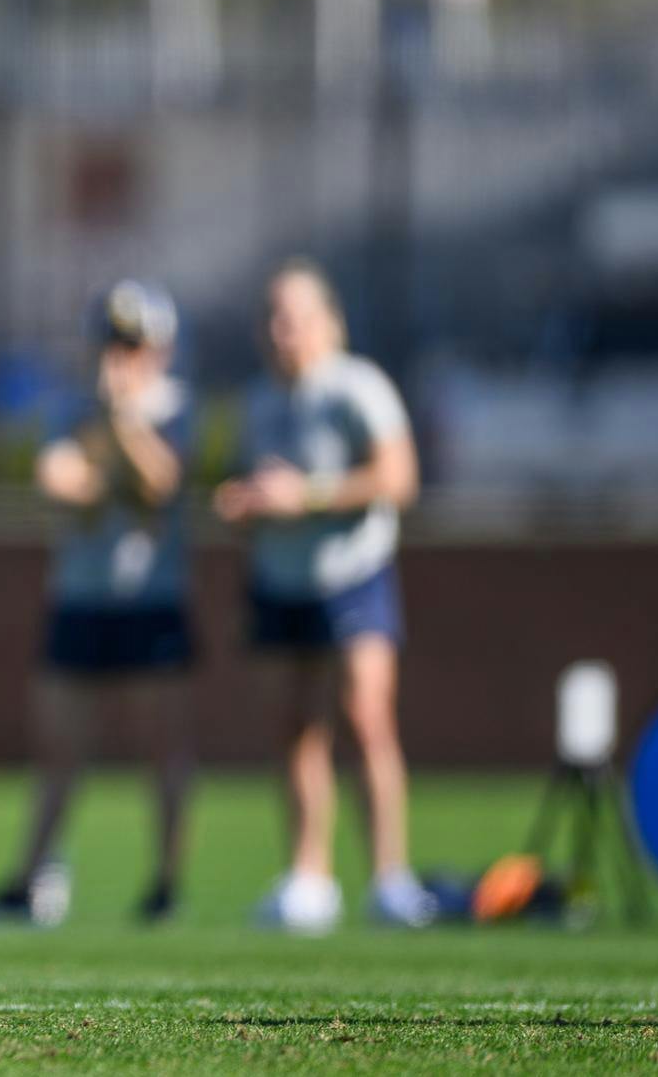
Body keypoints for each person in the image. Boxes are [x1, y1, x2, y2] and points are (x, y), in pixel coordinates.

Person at [214, 258, 434, 931]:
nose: (285, 330)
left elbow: (399, 478)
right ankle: (310, 877)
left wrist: (305, 495)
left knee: (367, 718)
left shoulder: (357, 387)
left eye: (298, 316)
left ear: (328, 323)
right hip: (282, 581)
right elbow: (252, 485)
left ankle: (391, 878)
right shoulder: (257, 401)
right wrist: (249, 505)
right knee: (295, 731)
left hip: (353, 575)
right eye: (274, 318)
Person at [0, 280, 195, 928]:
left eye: (132, 343)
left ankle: (166, 884)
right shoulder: (71, 406)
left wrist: (122, 421)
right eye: (111, 341)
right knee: (59, 748)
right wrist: (112, 443)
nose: (119, 356)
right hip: (82, 596)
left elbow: (160, 484)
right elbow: (67, 485)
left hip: (151, 599)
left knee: (164, 747)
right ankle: (32, 877)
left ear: (159, 347)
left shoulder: (176, 407)